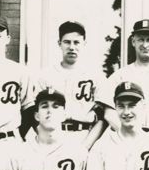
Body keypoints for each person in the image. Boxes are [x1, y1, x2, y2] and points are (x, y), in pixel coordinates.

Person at [29, 21, 107, 150]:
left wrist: (85, 147)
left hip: (85, 135)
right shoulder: (45, 75)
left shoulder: (96, 76)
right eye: (67, 42)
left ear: (84, 44)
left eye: (76, 42)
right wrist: (45, 139)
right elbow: (34, 112)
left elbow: (103, 117)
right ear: (59, 44)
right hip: (52, 136)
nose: (71, 47)